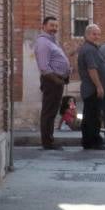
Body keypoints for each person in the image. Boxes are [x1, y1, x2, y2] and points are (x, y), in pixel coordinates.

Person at [35, 16, 71, 151]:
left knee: (52, 111)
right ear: (43, 26)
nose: (54, 28)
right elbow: (44, 67)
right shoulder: (43, 43)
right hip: (51, 81)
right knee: (49, 112)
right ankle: (47, 142)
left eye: (56, 26)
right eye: (51, 25)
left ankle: (49, 140)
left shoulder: (52, 41)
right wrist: (58, 81)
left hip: (56, 80)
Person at [77, 24, 105, 150]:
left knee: (89, 115)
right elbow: (92, 69)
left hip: (91, 88)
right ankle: (94, 142)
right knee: (94, 116)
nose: (97, 36)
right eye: (94, 34)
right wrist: (99, 86)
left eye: (98, 34)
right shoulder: (89, 49)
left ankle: (88, 142)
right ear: (87, 35)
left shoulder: (92, 48)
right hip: (92, 89)